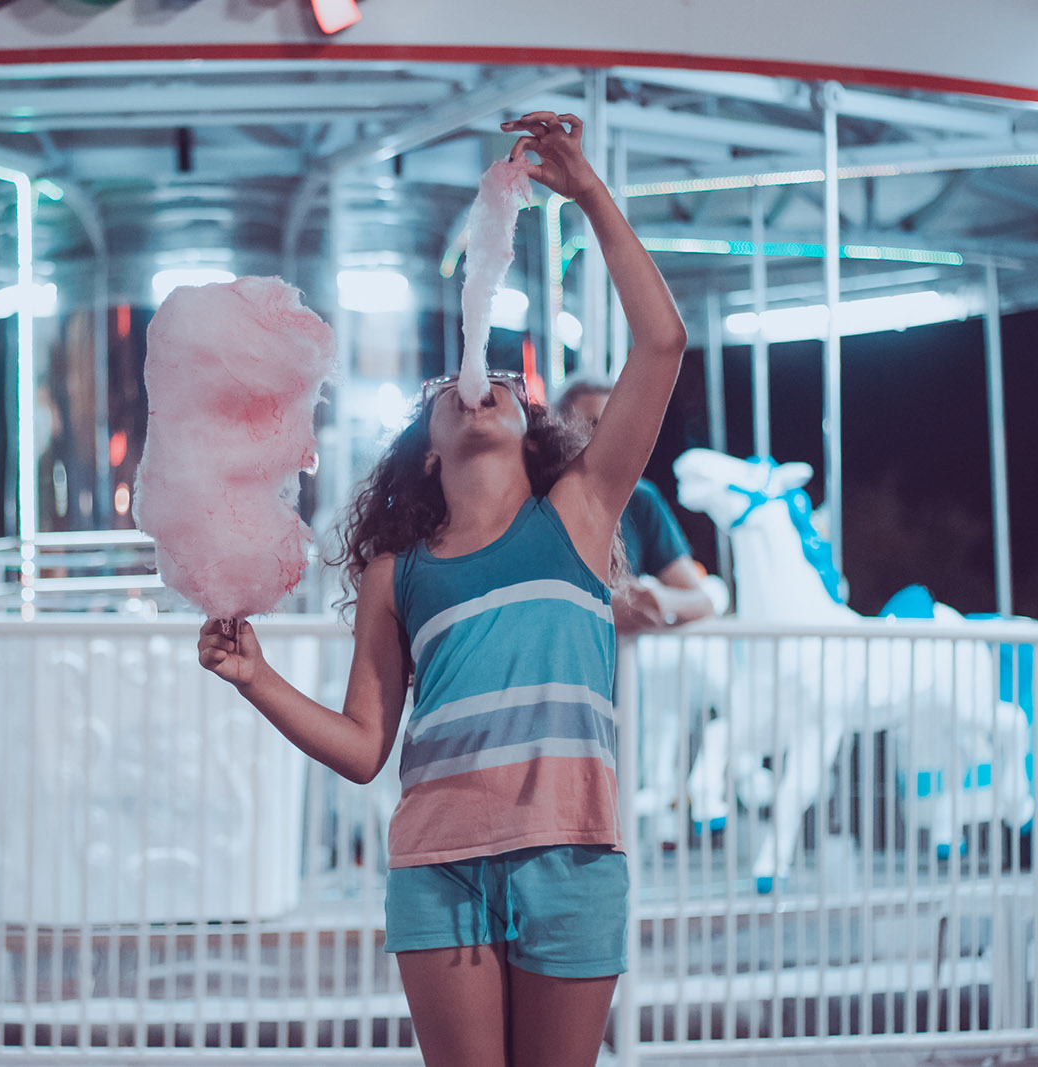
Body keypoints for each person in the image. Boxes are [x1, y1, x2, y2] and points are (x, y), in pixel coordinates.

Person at [197, 112, 686, 1066]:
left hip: (573, 857)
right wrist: (253, 675)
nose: (483, 378)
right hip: (439, 868)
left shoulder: (581, 513)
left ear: (526, 418)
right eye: (456, 383)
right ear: (423, 449)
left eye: (505, 377)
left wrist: (587, 194)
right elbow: (365, 746)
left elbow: (661, 344)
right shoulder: (397, 571)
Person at [556, 380, 719, 633]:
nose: (606, 438)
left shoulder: (640, 499)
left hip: (619, 670)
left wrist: (653, 599)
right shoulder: (537, 499)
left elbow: (701, 603)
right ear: (559, 433)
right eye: (592, 425)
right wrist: (603, 607)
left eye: (617, 427)